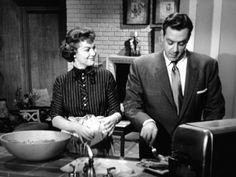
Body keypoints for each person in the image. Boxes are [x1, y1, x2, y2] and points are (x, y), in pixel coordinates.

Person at [123, 13, 225, 159]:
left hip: (194, 149)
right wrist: (147, 122)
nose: (175, 49)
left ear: (188, 39)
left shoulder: (207, 66)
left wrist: (201, 137)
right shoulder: (140, 66)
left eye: (181, 43)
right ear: (161, 37)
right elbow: (131, 105)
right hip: (154, 148)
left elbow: (215, 109)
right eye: (170, 42)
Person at [51, 27, 121, 156]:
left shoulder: (106, 76)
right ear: (73, 53)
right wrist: (77, 127)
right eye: (87, 49)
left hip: (100, 141)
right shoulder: (61, 81)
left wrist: (113, 119)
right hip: (71, 143)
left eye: (94, 48)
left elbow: (116, 110)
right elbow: (55, 118)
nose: (93, 53)